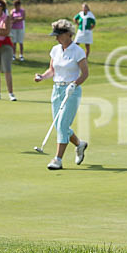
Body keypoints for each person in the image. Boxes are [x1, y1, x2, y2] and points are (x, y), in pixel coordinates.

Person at [34, 19, 89, 170]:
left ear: (67, 34)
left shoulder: (78, 51)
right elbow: (52, 70)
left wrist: (74, 84)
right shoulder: (55, 49)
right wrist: (42, 77)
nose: (56, 38)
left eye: (58, 35)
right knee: (60, 126)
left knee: (63, 124)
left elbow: (85, 74)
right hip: (56, 90)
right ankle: (79, 144)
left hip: (72, 91)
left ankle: (57, 159)